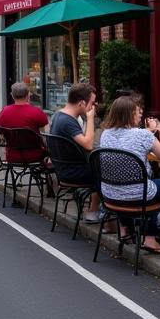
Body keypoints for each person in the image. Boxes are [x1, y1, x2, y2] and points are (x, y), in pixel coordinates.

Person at [98, 95, 160, 255]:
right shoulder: (142, 135)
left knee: (143, 185)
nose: (141, 115)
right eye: (138, 112)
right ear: (130, 113)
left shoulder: (106, 134)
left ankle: (128, 229)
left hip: (110, 194)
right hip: (138, 195)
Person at [48, 81, 99, 222]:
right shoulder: (67, 121)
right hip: (73, 172)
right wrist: (89, 119)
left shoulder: (58, 115)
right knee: (107, 170)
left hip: (64, 169)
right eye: (92, 102)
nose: (93, 106)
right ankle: (94, 212)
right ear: (82, 103)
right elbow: (88, 144)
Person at [0, 82, 48, 165]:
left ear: (12, 95)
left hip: (12, 156)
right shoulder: (36, 112)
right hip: (35, 155)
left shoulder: (4, 111)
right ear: (28, 95)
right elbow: (45, 136)